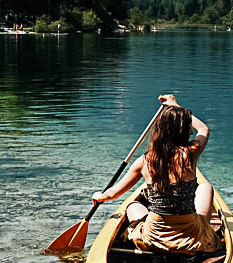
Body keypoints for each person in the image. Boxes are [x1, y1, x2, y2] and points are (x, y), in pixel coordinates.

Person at [91, 94, 221, 254]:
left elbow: (112, 194)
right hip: (191, 239)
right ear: (184, 131)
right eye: (188, 130)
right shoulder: (190, 155)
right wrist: (175, 105)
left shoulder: (144, 161)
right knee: (205, 187)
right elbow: (203, 129)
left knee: (132, 206)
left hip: (154, 239)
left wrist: (99, 196)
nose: (191, 134)